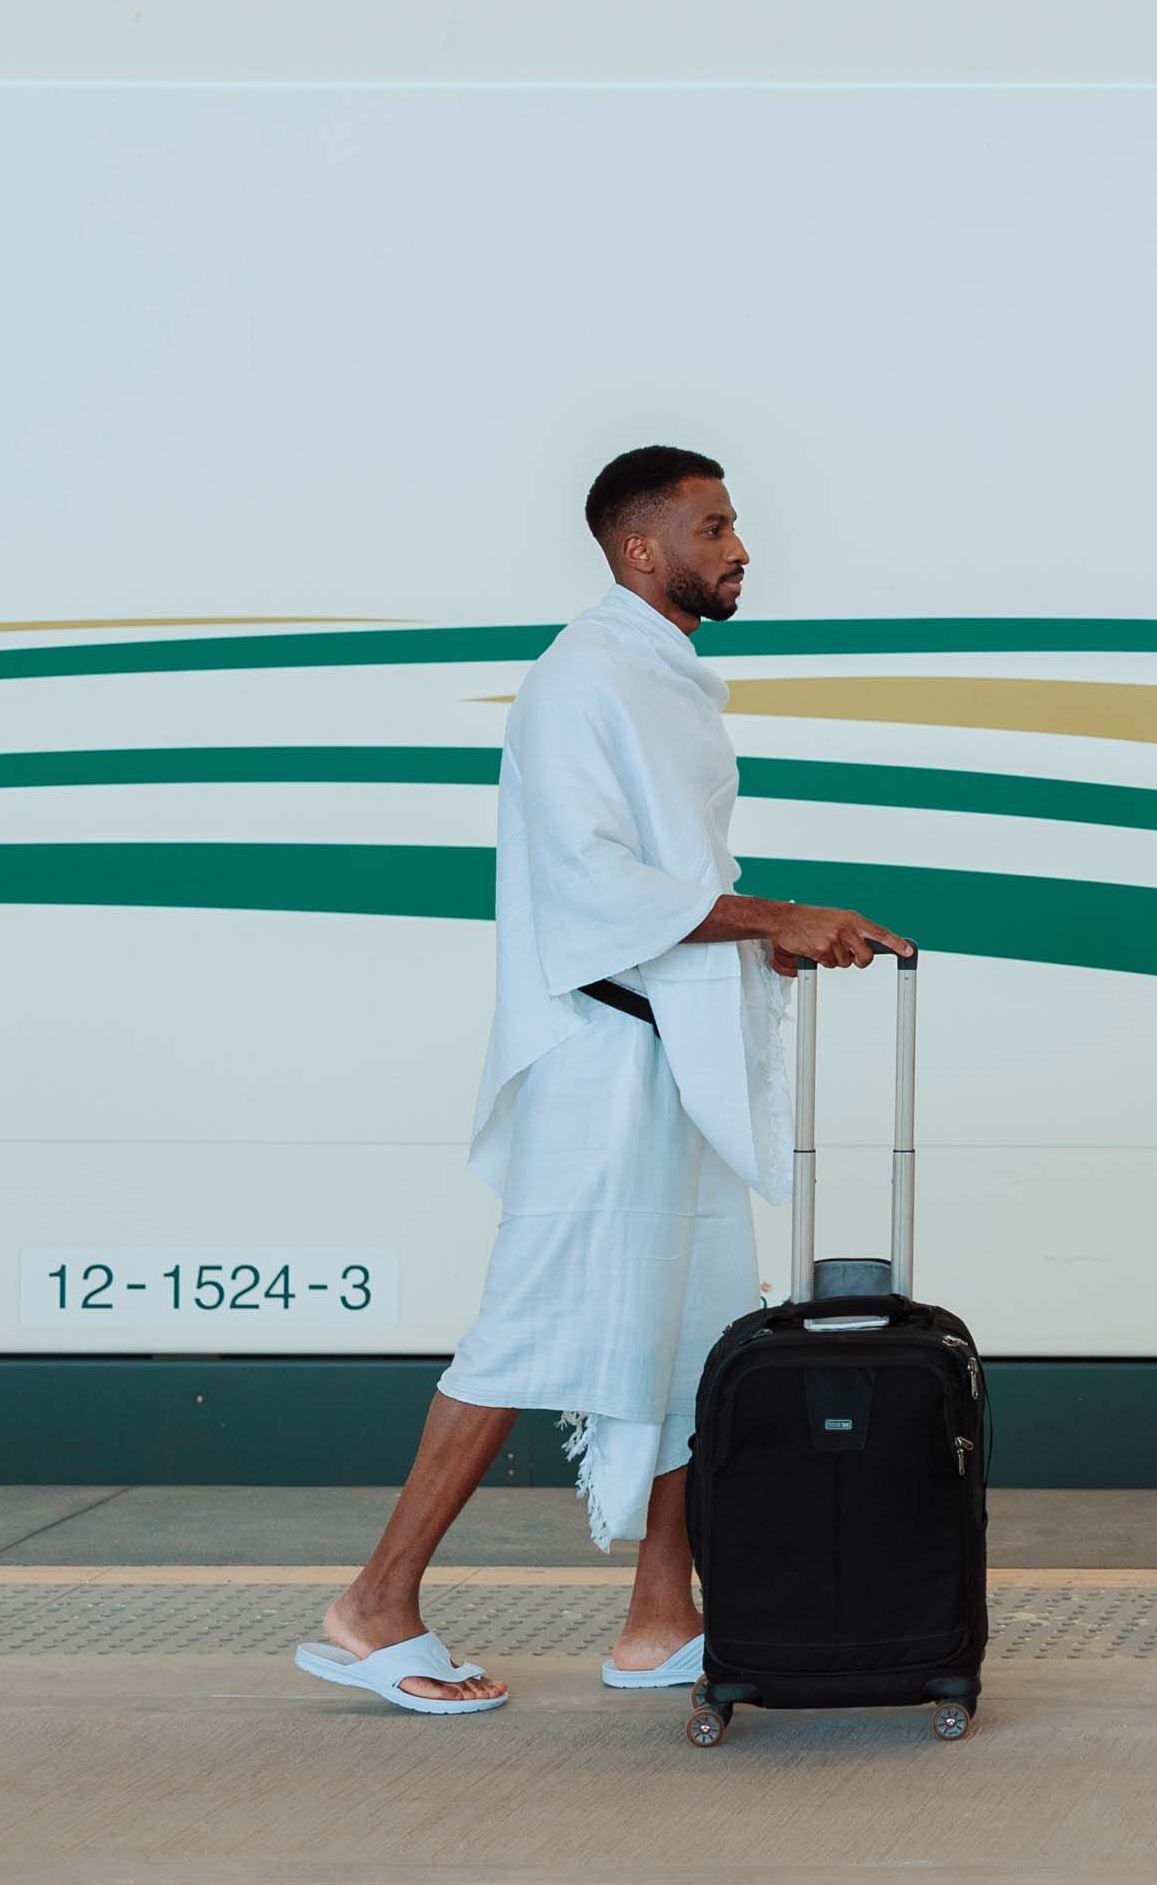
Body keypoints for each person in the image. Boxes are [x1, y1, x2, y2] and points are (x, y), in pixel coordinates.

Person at [293, 446, 913, 1714]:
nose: (741, 547)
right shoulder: (584, 680)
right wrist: (774, 917)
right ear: (642, 548)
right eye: (715, 526)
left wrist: (761, 947)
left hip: (663, 1055)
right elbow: (588, 885)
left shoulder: (658, 677)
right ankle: (374, 1607)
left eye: (736, 524)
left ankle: (656, 1621)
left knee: (690, 1339)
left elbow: (662, 879)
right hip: (601, 1063)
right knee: (528, 1328)